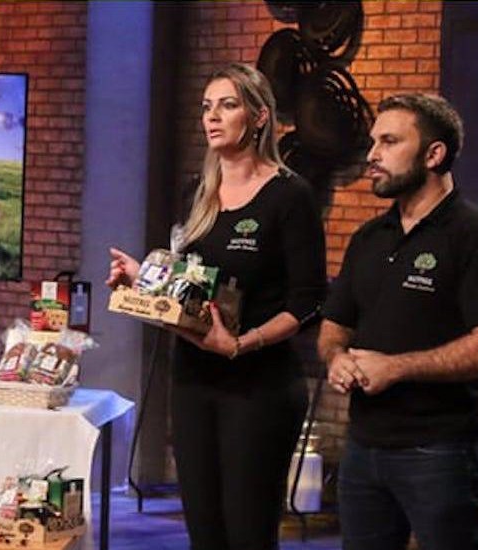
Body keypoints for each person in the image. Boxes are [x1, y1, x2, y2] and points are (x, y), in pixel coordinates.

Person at [106, 62, 326, 550]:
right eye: (207, 106)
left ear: (259, 116)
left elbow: (309, 302)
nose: (212, 116)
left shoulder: (290, 195)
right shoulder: (197, 193)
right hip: (193, 380)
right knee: (205, 534)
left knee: (248, 534)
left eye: (227, 105)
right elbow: (190, 285)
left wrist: (242, 344)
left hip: (259, 387)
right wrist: (143, 278)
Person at [317, 94, 478, 550]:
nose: (372, 155)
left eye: (389, 142)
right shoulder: (369, 237)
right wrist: (335, 358)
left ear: (434, 154)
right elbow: (335, 324)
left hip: (441, 450)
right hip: (364, 447)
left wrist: (396, 368)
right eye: (373, 142)